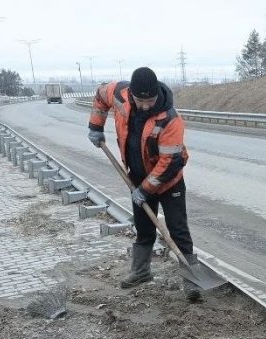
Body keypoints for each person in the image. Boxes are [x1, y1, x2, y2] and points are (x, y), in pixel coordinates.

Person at [86, 67, 201, 302]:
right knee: (143, 227)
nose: (146, 106)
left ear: (157, 94)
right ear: (132, 96)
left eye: (150, 101)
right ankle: (141, 272)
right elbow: (100, 95)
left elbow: (170, 163)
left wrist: (144, 190)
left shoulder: (170, 119)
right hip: (137, 176)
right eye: (141, 101)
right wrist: (96, 126)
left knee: (178, 230)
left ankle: (192, 282)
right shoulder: (119, 94)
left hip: (169, 183)